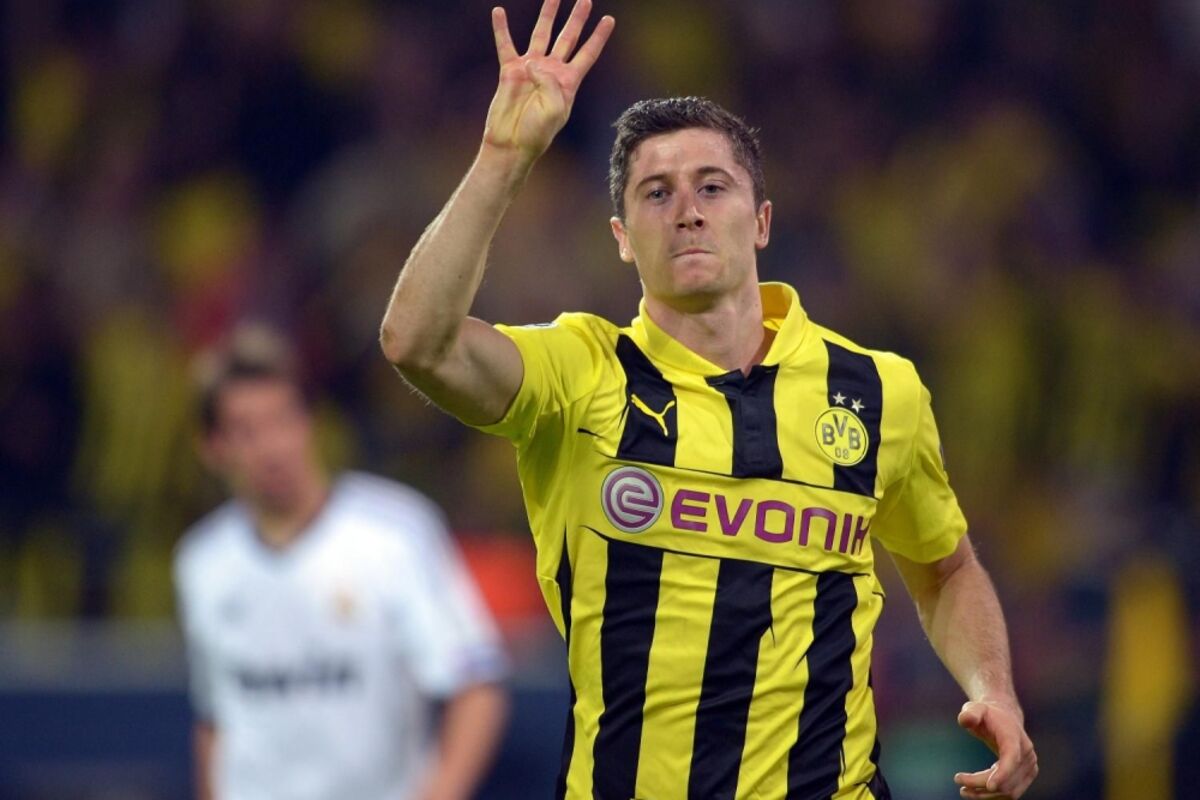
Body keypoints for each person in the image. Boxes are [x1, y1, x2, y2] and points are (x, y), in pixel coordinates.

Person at [379, 1, 1038, 797]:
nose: (687, 210)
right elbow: (416, 341)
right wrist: (503, 156)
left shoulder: (875, 389)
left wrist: (994, 688)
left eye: (712, 187)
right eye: (656, 193)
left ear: (761, 222)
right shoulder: (582, 372)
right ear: (621, 238)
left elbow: (945, 569)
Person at [173, 326, 509, 800]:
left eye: (282, 420)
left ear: (309, 422)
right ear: (213, 447)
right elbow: (215, 719)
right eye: (246, 431)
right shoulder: (202, 561)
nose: (272, 447)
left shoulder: (394, 533)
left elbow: (476, 687)